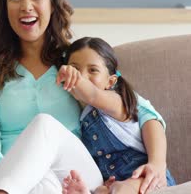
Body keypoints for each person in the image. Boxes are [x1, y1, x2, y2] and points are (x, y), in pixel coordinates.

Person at [0, 0, 168, 194]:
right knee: (43, 184)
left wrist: (158, 164)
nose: (26, 6)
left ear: (52, 4)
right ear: (4, 8)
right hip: (15, 174)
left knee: (45, 124)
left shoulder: (75, 60)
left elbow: (141, 111)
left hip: (74, 171)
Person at [56, 37, 175, 194]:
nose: (83, 76)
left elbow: (152, 121)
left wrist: (157, 163)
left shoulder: (115, 100)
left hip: (146, 180)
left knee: (120, 189)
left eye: (92, 70)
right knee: (101, 190)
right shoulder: (80, 119)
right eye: (75, 68)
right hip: (112, 183)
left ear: (110, 82)